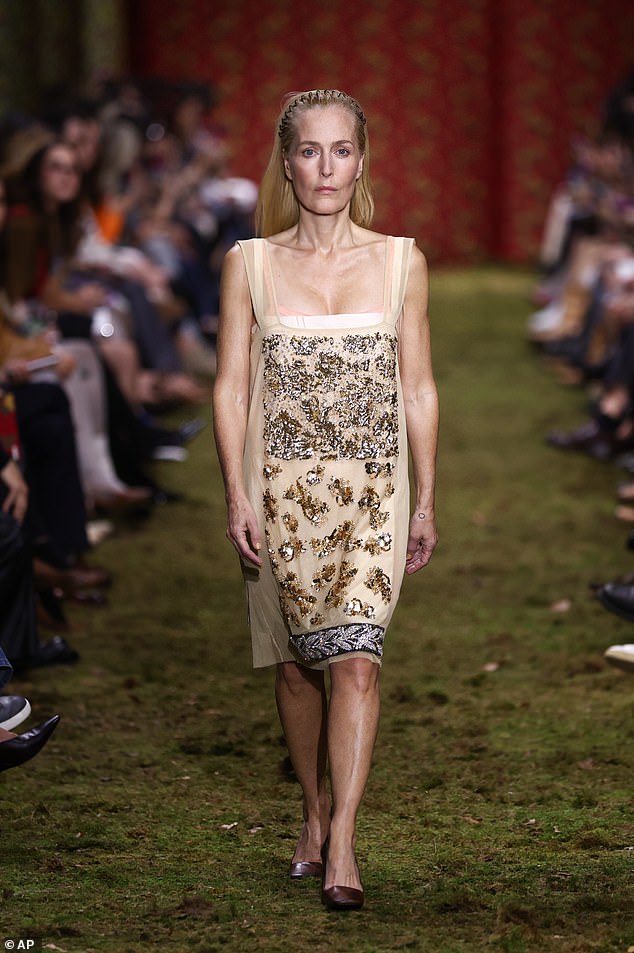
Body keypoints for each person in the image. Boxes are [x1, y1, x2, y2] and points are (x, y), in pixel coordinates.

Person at [213, 89, 439, 911]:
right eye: (310, 150)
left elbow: (417, 386)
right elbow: (231, 387)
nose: (326, 168)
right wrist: (235, 492)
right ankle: (311, 809)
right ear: (287, 162)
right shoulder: (249, 263)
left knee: (356, 659)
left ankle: (343, 838)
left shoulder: (402, 261)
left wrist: (425, 498)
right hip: (279, 492)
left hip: (375, 491)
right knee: (295, 667)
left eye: (341, 150)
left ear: (361, 160)